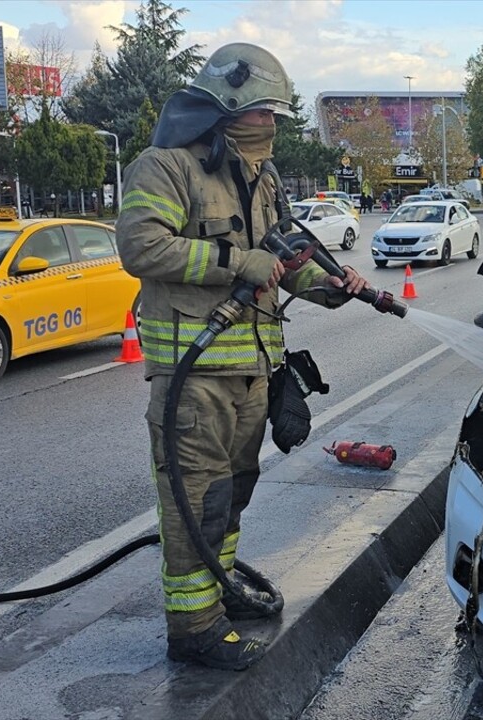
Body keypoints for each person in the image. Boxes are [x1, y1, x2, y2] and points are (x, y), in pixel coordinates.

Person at [116, 43, 371, 672]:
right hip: (194, 378)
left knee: (232, 496)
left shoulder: (263, 176)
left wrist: (330, 285)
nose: (275, 127)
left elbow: (283, 255)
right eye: (267, 113)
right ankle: (194, 630)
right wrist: (236, 263)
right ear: (229, 106)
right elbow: (141, 247)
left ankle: (222, 593)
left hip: (253, 370)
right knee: (194, 502)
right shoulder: (166, 166)